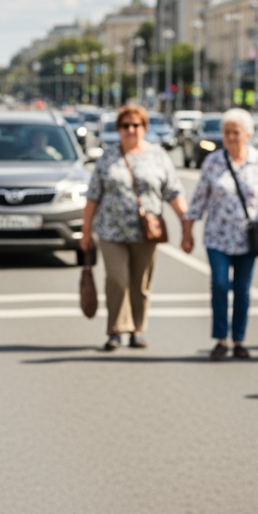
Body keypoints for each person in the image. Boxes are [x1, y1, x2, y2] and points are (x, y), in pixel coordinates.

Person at [181, 108, 258, 360]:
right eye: (227, 132)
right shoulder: (213, 162)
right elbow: (198, 199)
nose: (230, 137)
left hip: (247, 238)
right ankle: (220, 339)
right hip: (217, 236)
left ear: (247, 134)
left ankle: (238, 339)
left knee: (242, 289)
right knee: (219, 284)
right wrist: (188, 230)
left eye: (235, 132)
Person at [80, 104, 187, 351]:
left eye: (135, 125)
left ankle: (137, 329)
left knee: (140, 284)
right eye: (125, 126)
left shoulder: (158, 156)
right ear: (118, 129)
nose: (130, 130)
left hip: (146, 232)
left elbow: (173, 191)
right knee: (117, 279)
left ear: (144, 128)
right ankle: (115, 330)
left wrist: (185, 222)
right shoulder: (108, 157)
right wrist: (86, 231)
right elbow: (93, 196)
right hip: (111, 232)